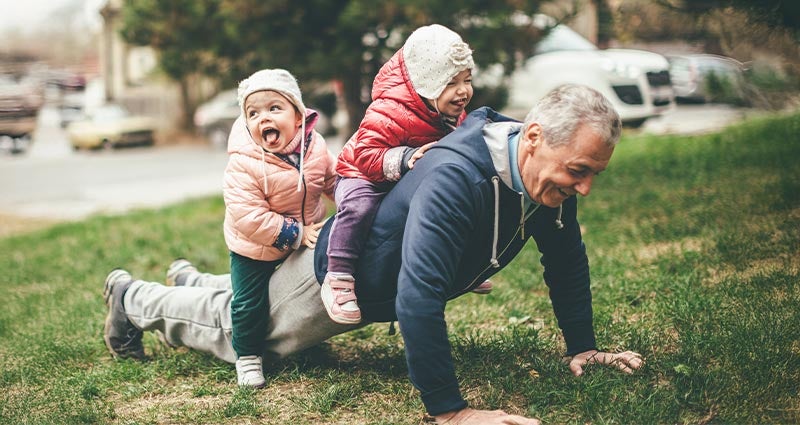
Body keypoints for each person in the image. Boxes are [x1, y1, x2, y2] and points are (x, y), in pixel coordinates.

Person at [103, 84, 643, 425]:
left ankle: (193, 280)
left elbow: (566, 259)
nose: (586, 188)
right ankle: (134, 300)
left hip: (363, 276)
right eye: (579, 171)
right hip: (333, 279)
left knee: (249, 299)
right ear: (533, 138)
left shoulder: (541, 181)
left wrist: (584, 347)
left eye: (594, 173)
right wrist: (451, 411)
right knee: (239, 332)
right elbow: (418, 296)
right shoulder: (460, 177)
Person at [322, 23, 486, 324]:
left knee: (446, 205)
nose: (463, 91)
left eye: (467, 79)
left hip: (403, 176)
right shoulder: (387, 110)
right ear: (426, 83)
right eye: (451, 83)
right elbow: (365, 155)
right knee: (360, 207)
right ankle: (339, 275)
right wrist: (407, 157)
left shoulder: (449, 113)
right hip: (361, 173)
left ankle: (458, 264)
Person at [222, 68, 336, 388]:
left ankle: (309, 337)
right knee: (249, 302)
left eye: (275, 108)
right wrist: (297, 233)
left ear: (299, 116)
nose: (263, 118)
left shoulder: (315, 147)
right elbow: (248, 216)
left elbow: (331, 180)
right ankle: (247, 356)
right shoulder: (244, 162)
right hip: (254, 245)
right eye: (253, 113)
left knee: (304, 288)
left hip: (306, 231)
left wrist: (350, 198)